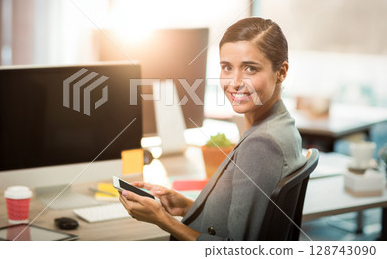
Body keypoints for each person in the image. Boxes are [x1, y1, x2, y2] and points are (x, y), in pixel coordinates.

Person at [119, 17, 307, 240]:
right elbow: (235, 218)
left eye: (250, 68)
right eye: (227, 67)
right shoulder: (280, 125)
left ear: (281, 72)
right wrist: (186, 206)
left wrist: (163, 220)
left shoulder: (262, 144)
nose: (235, 82)